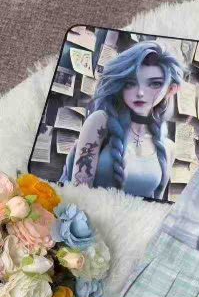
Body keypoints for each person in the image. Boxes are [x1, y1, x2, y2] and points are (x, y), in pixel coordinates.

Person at [60, 40, 184, 199]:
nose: (140, 92)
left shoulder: (168, 148)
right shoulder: (100, 122)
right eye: (130, 83)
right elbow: (78, 196)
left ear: (171, 89)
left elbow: (156, 206)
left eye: (154, 84)